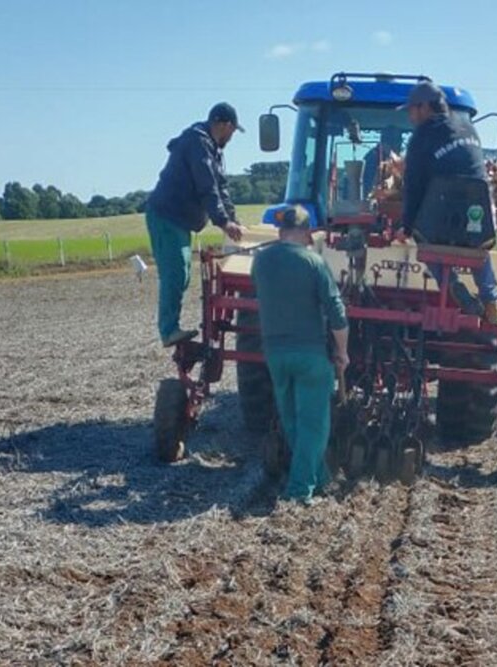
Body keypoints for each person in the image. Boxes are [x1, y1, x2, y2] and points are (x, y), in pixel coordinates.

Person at [251, 205, 349, 506]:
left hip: (274, 354)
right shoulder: (314, 262)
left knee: (292, 419)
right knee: (315, 425)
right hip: (310, 355)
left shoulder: (261, 261)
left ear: (281, 230)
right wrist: (342, 352)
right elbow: (336, 311)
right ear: (307, 233)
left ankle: (320, 478)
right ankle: (299, 491)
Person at [394, 82, 497, 325]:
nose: (411, 116)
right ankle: (492, 301)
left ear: (424, 107)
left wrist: (407, 226)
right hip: (480, 211)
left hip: (440, 214)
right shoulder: (468, 127)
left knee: (425, 242)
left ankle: (453, 287)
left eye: (411, 110)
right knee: (478, 246)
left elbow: (414, 185)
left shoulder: (422, 136)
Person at [145, 103, 246, 347]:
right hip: (166, 215)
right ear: (224, 125)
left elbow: (221, 187)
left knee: (184, 275)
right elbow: (207, 187)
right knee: (176, 272)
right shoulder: (197, 143)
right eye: (233, 131)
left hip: (180, 219)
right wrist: (223, 222)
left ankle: (171, 327)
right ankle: (168, 330)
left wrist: (234, 220)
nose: (232, 137)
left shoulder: (213, 149)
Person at [362, 126, 405, 197]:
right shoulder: (373, 158)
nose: (399, 146)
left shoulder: (398, 161)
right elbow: (368, 186)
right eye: (398, 142)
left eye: (399, 142)